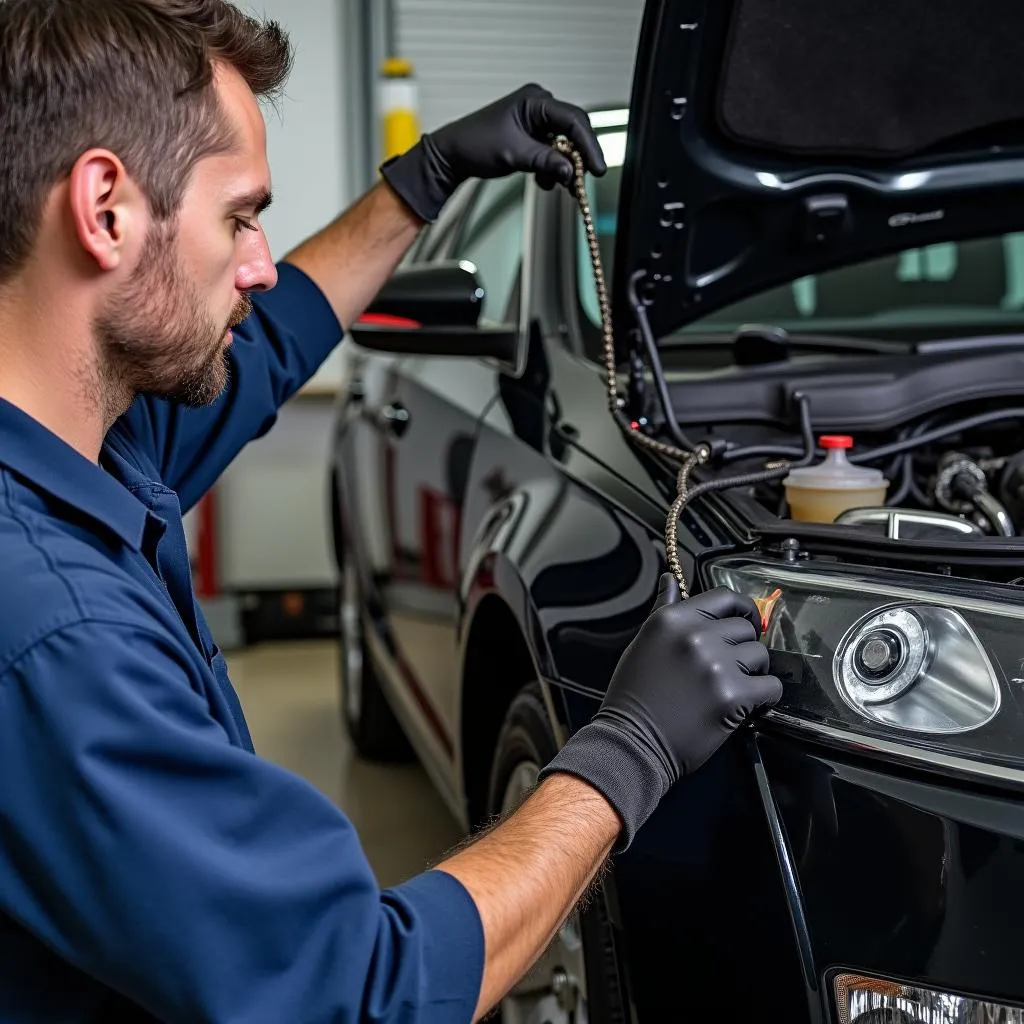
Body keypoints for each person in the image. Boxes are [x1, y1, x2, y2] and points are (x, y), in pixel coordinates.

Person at [0, 1, 783, 1021]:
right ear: (105, 208)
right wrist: (623, 750)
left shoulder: (91, 440)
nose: (259, 263)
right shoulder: (57, 635)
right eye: (239, 215)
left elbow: (271, 339)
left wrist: (424, 179)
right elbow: (359, 989)